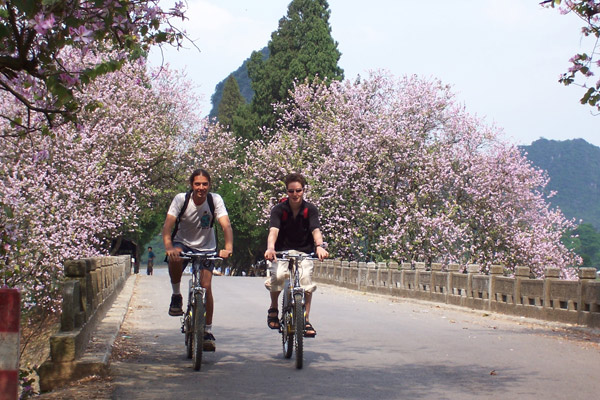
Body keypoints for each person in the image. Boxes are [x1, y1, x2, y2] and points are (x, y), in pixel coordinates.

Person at [162, 169, 233, 351]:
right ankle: (176, 295)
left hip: (206, 247)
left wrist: (228, 247)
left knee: (206, 286)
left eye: (204, 184)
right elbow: (168, 225)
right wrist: (169, 247)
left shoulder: (214, 200)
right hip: (182, 243)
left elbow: (225, 224)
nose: (201, 188)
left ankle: (207, 330)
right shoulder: (181, 199)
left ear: (209, 185)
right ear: (191, 185)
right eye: (197, 184)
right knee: (175, 259)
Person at [264, 173, 328, 337]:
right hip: (281, 252)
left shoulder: (310, 210)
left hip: (304, 252)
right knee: (277, 276)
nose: (295, 194)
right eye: (291, 191)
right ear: (287, 191)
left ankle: (305, 319)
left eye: (298, 190)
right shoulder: (279, 210)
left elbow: (315, 230)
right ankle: (274, 307)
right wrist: (270, 248)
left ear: (303, 190)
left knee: (306, 280)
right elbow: (273, 231)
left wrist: (319, 246)